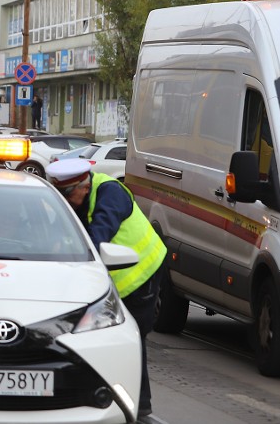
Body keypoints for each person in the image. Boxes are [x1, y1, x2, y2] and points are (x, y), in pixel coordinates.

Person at [46, 158, 166, 423]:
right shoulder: (77, 202)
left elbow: (98, 236)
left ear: (83, 186)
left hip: (141, 272)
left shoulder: (110, 193)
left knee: (134, 337)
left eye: (67, 194)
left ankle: (140, 407)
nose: (65, 201)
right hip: (110, 280)